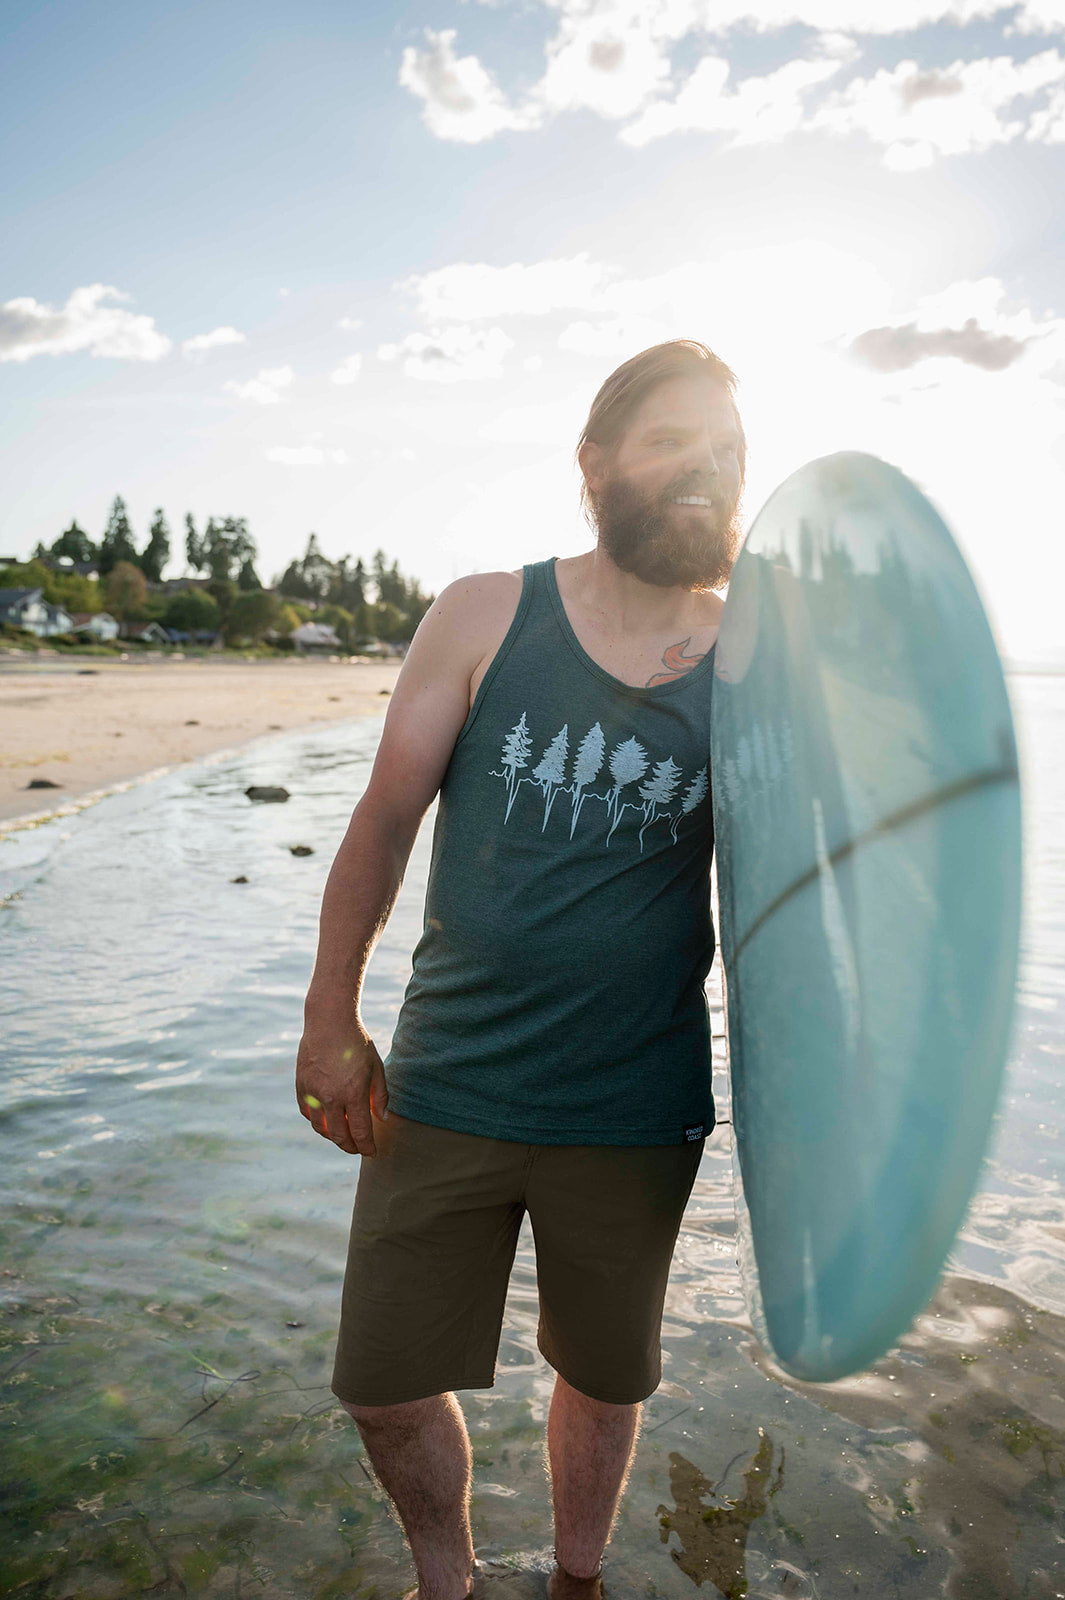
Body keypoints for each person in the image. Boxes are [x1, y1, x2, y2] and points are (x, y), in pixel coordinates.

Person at [296, 339, 747, 1600]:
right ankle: (451, 1577)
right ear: (595, 463)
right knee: (381, 1383)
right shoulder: (488, 612)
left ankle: (578, 1578)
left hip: (635, 1100)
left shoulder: (757, 660)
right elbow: (384, 818)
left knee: (606, 1380)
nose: (702, 468)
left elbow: (819, 878)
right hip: (448, 1081)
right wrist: (331, 1016)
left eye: (723, 447)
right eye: (670, 440)